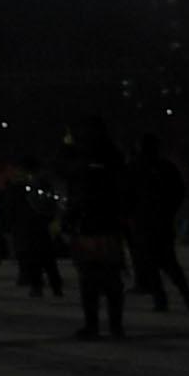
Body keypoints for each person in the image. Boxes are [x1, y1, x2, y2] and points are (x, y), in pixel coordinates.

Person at [61, 117, 131, 340]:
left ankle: (93, 324)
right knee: (111, 279)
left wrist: (71, 216)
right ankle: (115, 325)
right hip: (109, 225)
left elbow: (76, 188)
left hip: (90, 225)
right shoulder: (114, 157)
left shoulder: (84, 161)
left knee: (90, 278)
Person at [129, 132, 189, 315]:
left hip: (146, 221)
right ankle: (183, 295)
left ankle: (162, 299)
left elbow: (127, 193)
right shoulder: (164, 167)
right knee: (168, 262)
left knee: (153, 262)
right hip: (158, 220)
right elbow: (179, 191)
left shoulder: (137, 167)